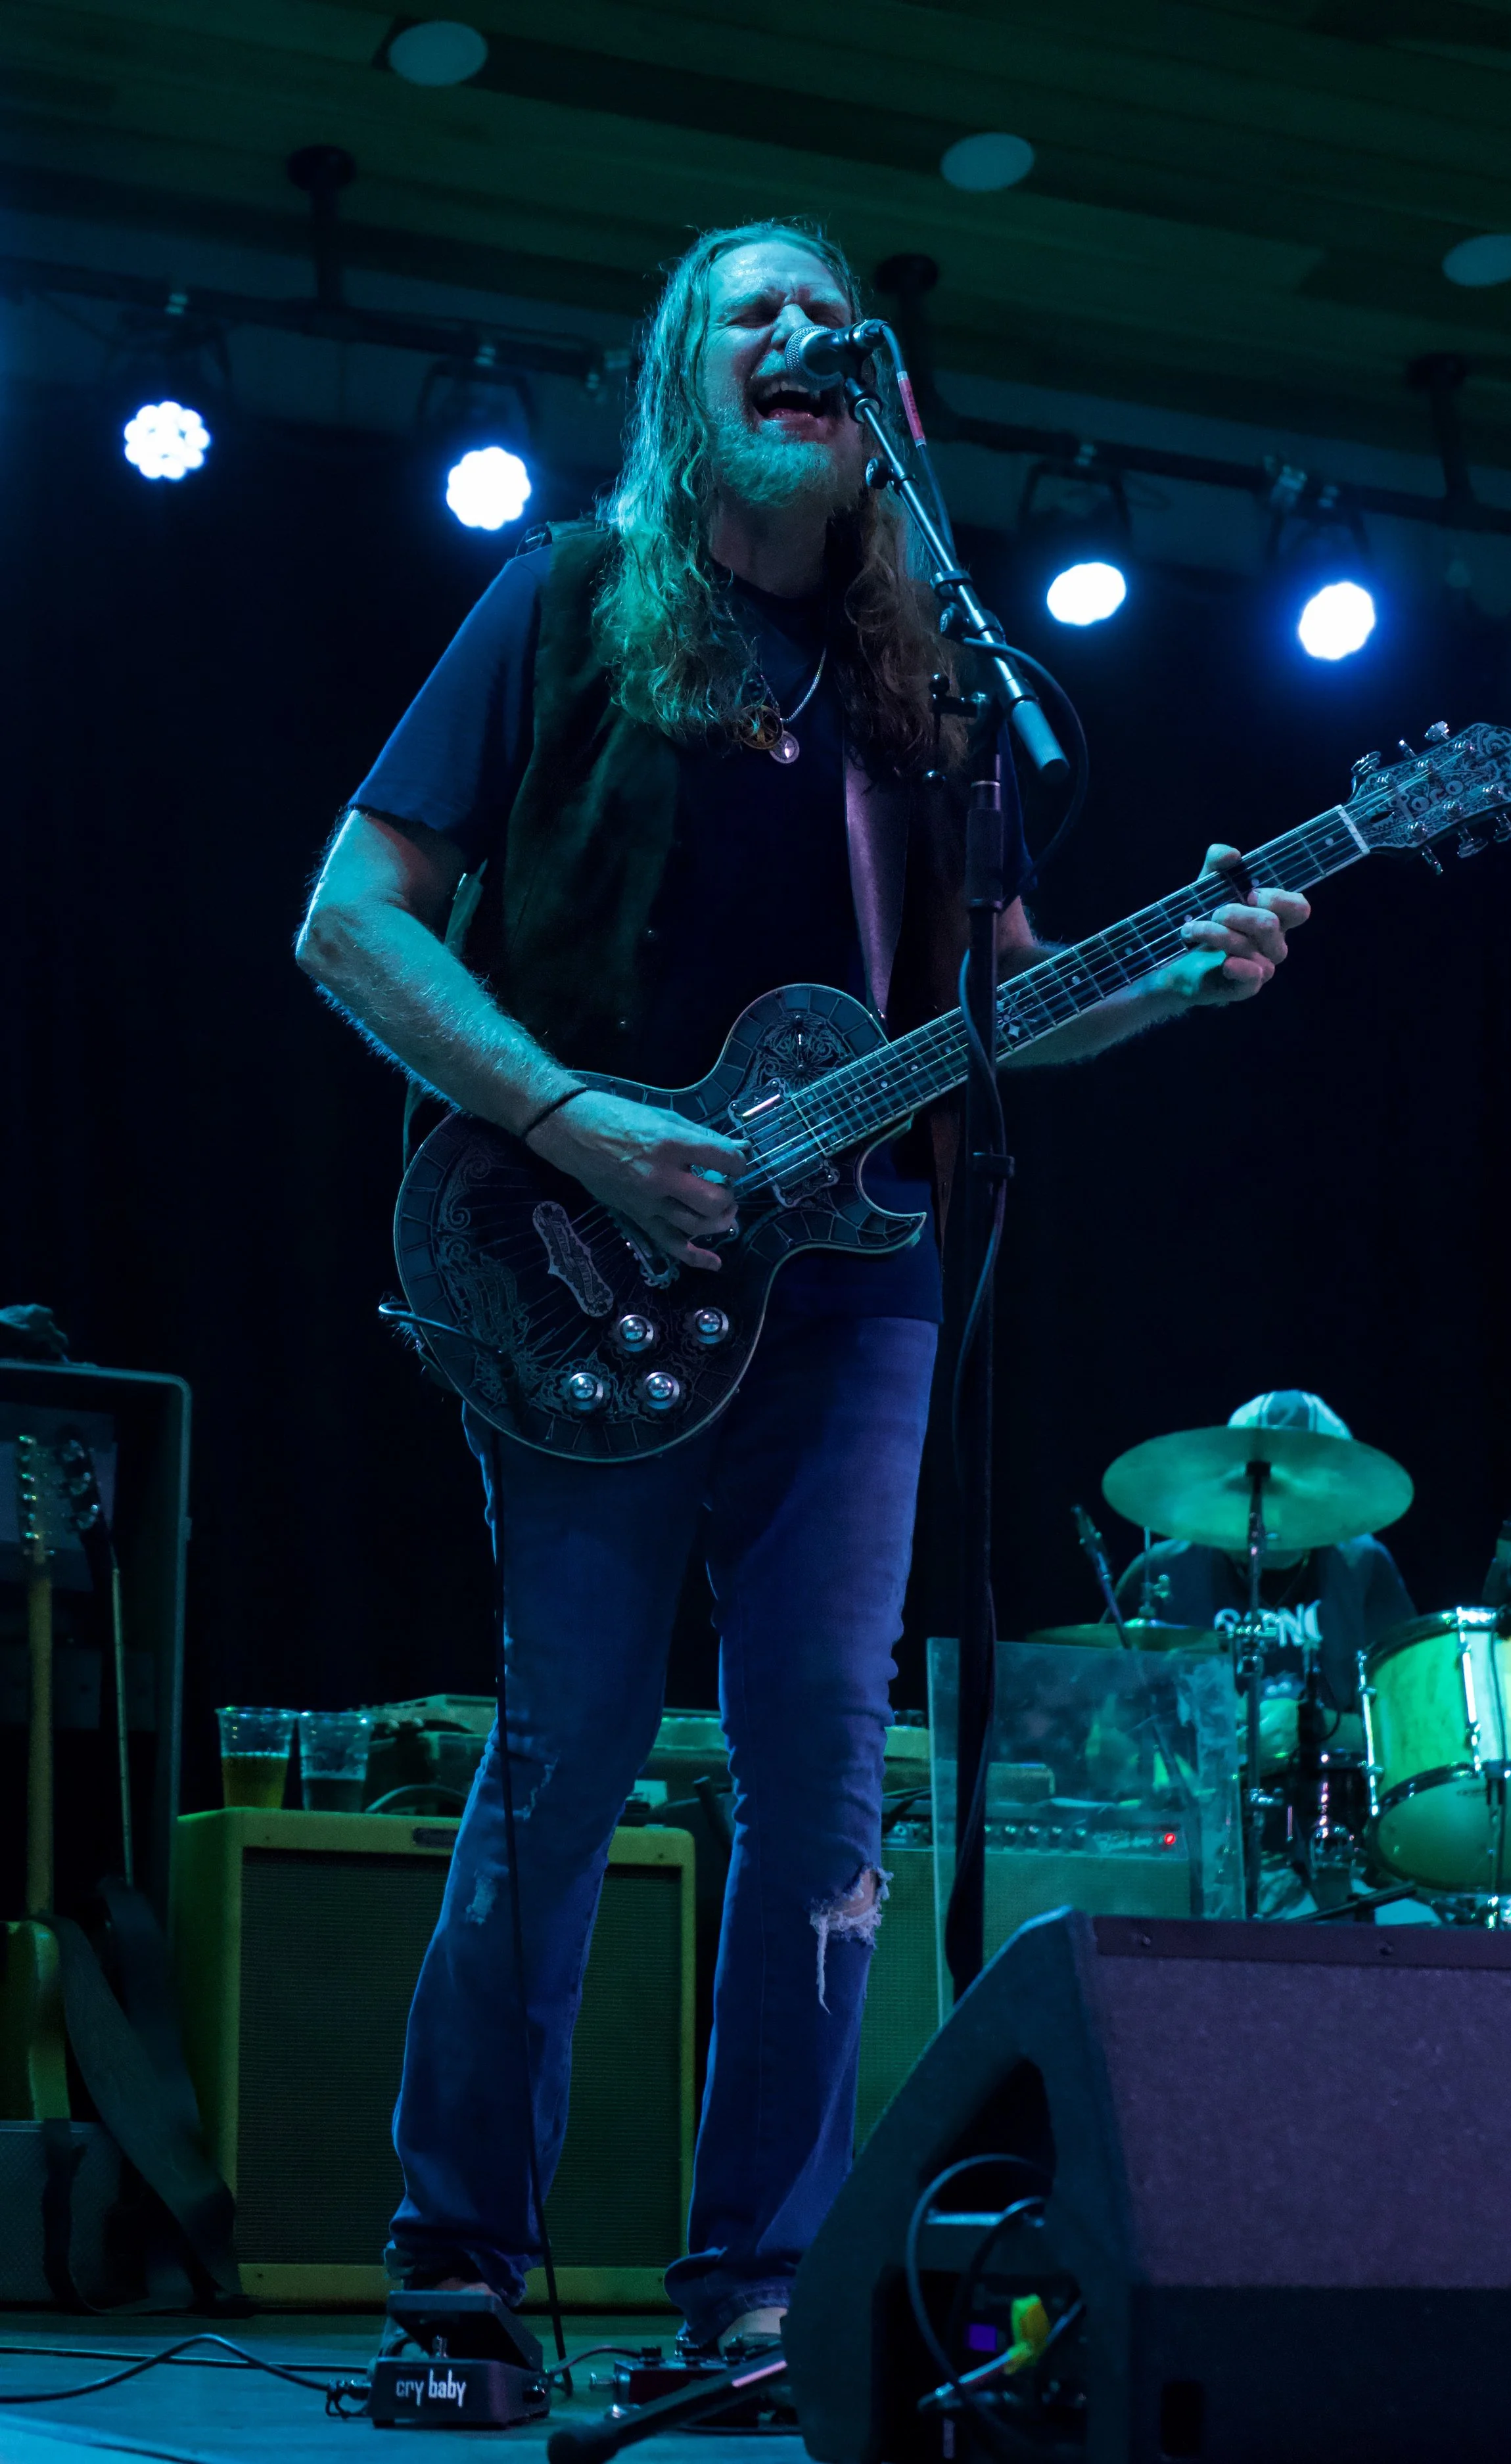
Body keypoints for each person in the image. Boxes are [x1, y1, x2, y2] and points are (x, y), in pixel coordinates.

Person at [294, 217, 1310, 2353]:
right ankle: (459, 2272)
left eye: (826, 322)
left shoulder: (935, 693)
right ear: (685, 379)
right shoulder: (561, 601)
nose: (797, 337)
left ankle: (765, 2285)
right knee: (564, 1760)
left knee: (825, 1779)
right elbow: (351, 923)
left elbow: (1002, 1009)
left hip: (856, 1298)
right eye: (748, 312)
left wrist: (1190, 969)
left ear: (879, 421)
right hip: (575, 1268)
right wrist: (576, 1122)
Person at [1115, 1389, 1414, 1739]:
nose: (1263, 1509)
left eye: (1285, 1492)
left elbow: (1406, 1727)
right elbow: (1101, 1719)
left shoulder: (1363, 1565)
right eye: (1251, 1489)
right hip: (1199, 1789)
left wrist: (1310, 1728)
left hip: (1331, 1788)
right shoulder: (1161, 1572)